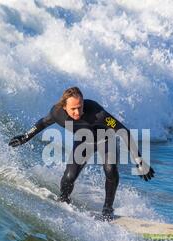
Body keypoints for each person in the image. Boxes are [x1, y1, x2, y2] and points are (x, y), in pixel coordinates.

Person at [9, 87, 155, 221]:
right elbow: (42, 123)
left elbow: (123, 131)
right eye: (73, 109)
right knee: (69, 177)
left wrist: (139, 159)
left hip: (106, 139)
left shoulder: (99, 114)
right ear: (64, 107)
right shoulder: (57, 113)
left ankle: (107, 208)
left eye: (80, 107)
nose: (77, 113)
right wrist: (24, 137)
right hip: (84, 141)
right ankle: (64, 201)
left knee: (110, 169)